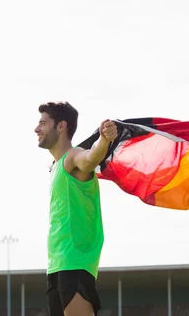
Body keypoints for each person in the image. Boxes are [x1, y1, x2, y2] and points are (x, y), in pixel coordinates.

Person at [35, 101, 118, 316]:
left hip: (75, 263)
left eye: (43, 123)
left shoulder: (73, 157)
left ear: (61, 126)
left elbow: (90, 158)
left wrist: (104, 139)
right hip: (57, 265)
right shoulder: (56, 167)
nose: (37, 129)